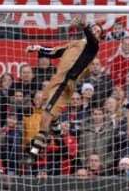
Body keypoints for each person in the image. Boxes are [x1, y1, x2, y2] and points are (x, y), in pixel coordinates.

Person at [24, 17, 103, 162]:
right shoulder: (74, 44)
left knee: (46, 115)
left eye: (98, 31)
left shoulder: (93, 47)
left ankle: (33, 153)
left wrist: (85, 25)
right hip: (56, 81)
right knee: (46, 109)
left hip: (66, 84)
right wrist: (37, 48)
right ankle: (59, 132)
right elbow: (54, 51)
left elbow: (91, 39)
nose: (95, 32)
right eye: (95, 29)